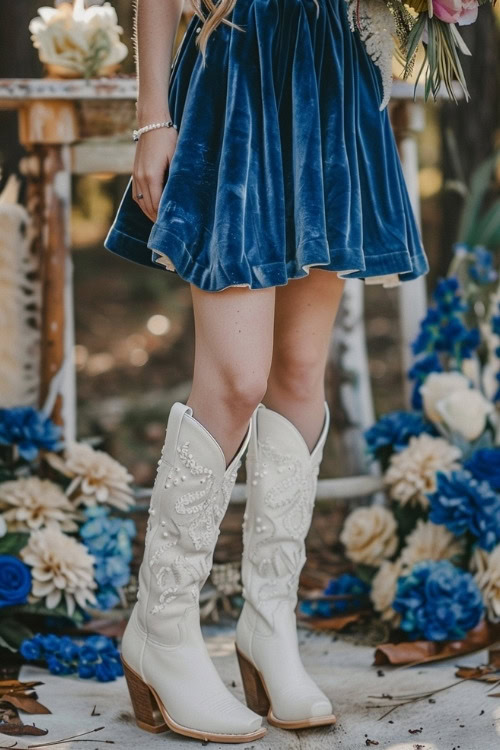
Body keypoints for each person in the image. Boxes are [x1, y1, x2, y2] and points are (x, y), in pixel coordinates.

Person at [104, 0, 429, 742]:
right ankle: (162, 630)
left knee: (299, 371)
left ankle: (268, 625)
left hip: (335, 65)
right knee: (236, 380)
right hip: (238, 61)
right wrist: (152, 117)